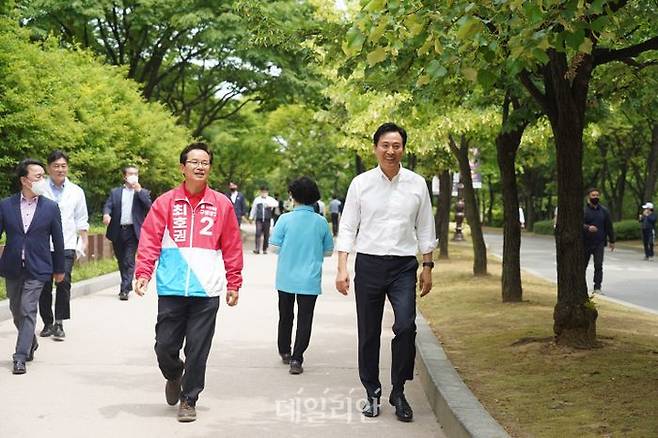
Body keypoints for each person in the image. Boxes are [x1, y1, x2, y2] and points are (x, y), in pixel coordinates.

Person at [134, 142, 243, 423]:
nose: (199, 166)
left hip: (206, 290)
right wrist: (143, 272)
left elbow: (232, 245)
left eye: (204, 162)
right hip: (171, 287)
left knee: (198, 349)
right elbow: (149, 239)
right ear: (183, 168)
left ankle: (189, 398)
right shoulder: (166, 202)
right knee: (164, 346)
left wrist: (234, 282)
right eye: (193, 162)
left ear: (210, 168)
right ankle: (174, 373)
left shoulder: (221, 204)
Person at [335, 123, 436, 422]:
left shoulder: (417, 184)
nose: (391, 151)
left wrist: (427, 266)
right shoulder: (361, 183)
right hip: (368, 263)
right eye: (385, 145)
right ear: (375, 147)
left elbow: (425, 226)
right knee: (368, 332)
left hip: (404, 265)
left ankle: (399, 391)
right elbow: (348, 227)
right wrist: (342, 268)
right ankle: (372, 392)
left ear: (403, 148)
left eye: (396, 145)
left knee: (406, 327)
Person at [0, 159, 65, 374]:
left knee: (28, 310)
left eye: (42, 175)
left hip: (39, 267)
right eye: (37, 176)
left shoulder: (50, 207)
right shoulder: (6, 205)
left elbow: (58, 240)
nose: (42, 180)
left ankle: (20, 356)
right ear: (24, 180)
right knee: (16, 310)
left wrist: (60, 269)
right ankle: (30, 340)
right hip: (12, 266)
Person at [269, 177, 334, 375]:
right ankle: (297, 358)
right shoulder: (321, 222)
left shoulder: (285, 219)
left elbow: (273, 247)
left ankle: (284, 351)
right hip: (310, 278)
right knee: (305, 318)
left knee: (286, 315)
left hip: (286, 277)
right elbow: (329, 251)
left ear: (292, 195)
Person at [38, 150, 89, 340]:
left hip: (66, 244)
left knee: (64, 282)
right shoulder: (40, 188)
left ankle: (59, 322)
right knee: (44, 284)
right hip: (43, 245)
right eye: (56, 166)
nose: (60, 169)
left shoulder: (76, 191)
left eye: (63, 166)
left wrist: (82, 243)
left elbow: (81, 219)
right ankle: (47, 322)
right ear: (49, 168)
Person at [103, 165, 152, 301]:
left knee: (129, 259)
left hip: (133, 230)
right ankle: (126, 282)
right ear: (124, 176)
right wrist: (107, 214)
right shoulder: (116, 192)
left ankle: (124, 289)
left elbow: (149, 206)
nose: (133, 176)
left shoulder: (143, 192)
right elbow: (108, 205)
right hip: (118, 230)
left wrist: (140, 191)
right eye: (130, 173)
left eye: (136, 173)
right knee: (121, 260)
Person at [583, 188, 615, 295]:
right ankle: (581, 286)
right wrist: (587, 227)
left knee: (598, 265)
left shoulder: (604, 211)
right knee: (582, 265)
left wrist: (612, 240)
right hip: (585, 242)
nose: (595, 197)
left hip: (599, 242)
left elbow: (609, 226)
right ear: (588, 197)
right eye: (593, 195)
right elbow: (578, 224)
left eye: (597, 195)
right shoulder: (583, 210)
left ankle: (597, 287)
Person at [249, 185, 278, 254]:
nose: (264, 193)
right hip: (259, 219)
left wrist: (269, 204)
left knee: (266, 234)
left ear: (267, 192)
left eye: (265, 192)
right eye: (263, 192)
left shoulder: (270, 199)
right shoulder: (257, 199)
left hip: (267, 219)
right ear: (260, 192)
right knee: (258, 233)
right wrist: (251, 217)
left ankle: (265, 249)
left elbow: (276, 204)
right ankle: (257, 248)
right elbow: (254, 209)